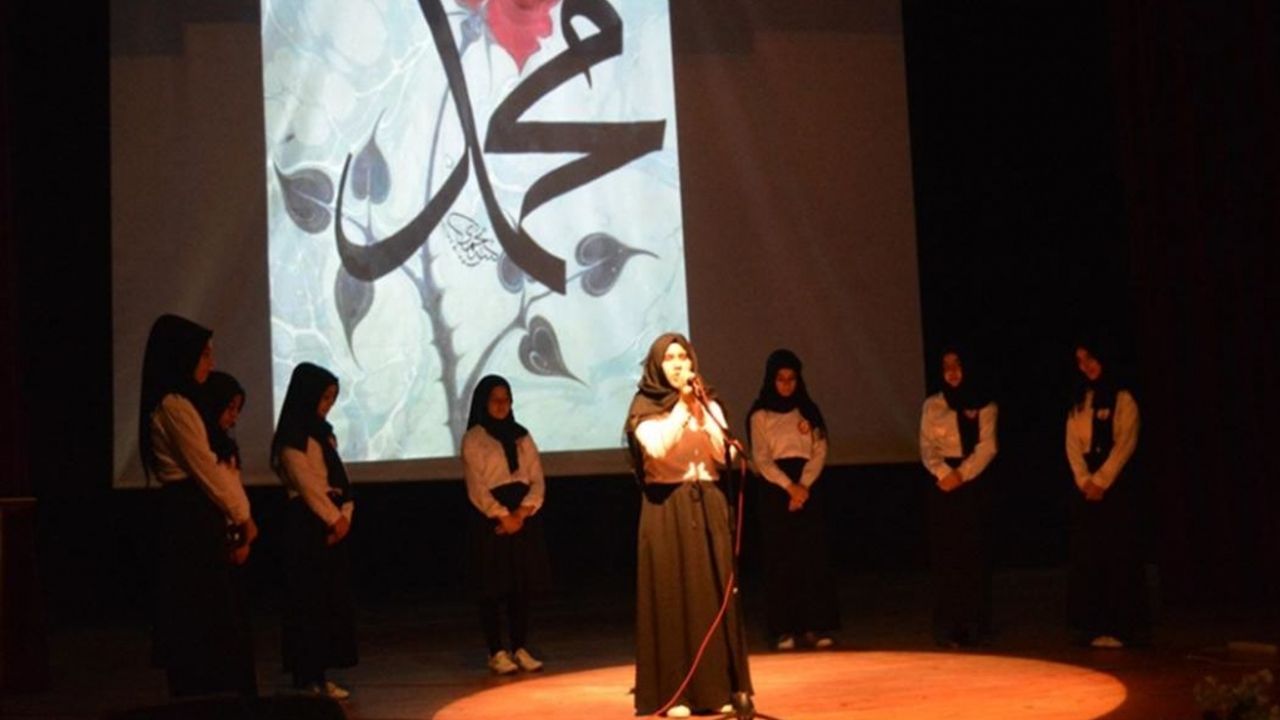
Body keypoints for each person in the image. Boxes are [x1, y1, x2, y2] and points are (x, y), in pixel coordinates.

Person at [625, 333, 752, 718]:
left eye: (684, 356)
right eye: (670, 358)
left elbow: (724, 454)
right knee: (672, 599)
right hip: (666, 507)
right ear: (657, 365)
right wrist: (682, 407)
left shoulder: (707, 403)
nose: (679, 364)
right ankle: (674, 695)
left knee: (712, 598)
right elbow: (658, 448)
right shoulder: (644, 406)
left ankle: (717, 690)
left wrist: (699, 409)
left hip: (708, 501)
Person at [138, 314, 257, 697]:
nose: (211, 362)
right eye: (204, 354)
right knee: (199, 615)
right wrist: (243, 518)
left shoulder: (185, 403)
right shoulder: (174, 406)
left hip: (196, 515)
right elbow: (206, 469)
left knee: (213, 615)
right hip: (188, 518)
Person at [271, 362, 357, 698]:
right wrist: (334, 519)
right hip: (306, 524)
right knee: (307, 602)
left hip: (331, 519)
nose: (328, 405)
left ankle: (321, 672)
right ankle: (308, 675)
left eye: (332, 398)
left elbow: (340, 480)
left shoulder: (324, 435)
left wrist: (345, 514)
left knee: (327, 602)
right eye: (324, 398)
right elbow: (307, 485)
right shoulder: (292, 439)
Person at [746, 349, 838, 651]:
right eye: (781, 379)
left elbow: (820, 450)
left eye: (791, 379)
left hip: (807, 486)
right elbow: (761, 458)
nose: (786, 384)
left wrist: (804, 486)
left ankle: (814, 625)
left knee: (811, 557)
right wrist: (789, 487)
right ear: (771, 380)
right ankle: (783, 628)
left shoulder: (808, 410)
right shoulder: (760, 414)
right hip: (776, 490)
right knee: (781, 559)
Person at [461, 375, 550, 675]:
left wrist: (522, 514)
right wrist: (502, 516)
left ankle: (520, 646)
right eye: (495, 400)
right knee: (491, 585)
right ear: (483, 402)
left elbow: (537, 478)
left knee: (520, 585)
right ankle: (496, 650)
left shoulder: (522, 436)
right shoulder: (474, 438)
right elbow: (477, 487)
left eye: (506, 399)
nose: (501, 405)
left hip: (523, 513)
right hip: (491, 517)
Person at [1065, 341, 1143, 648]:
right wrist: (1084, 480)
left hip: (1116, 485)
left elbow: (1126, 443)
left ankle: (1121, 626)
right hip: (1086, 486)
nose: (1086, 366)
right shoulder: (1079, 402)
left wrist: (1102, 480)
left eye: (1091, 358)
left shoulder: (1124, 399)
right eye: (1080, 361)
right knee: (1090, 555)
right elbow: (1072, 445)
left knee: (1118, 554)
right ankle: (1092, 625)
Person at [918, 347, 997, 647]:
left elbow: (988, 446)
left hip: (972, 482)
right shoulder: (932, 405)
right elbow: (926, 446)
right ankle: (949, 622)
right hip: (942, 484)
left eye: (957, 365)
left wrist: (962, 474)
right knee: (946, 554)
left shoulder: (985, 403)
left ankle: (975, 621)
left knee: (972, 552)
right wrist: (943, 473)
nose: (951, 372)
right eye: (946, 366)